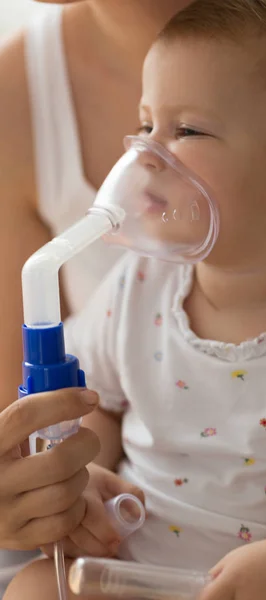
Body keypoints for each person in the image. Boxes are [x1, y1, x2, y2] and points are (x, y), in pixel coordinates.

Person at [5, 0, 266, 598]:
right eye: (144, 126)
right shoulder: (137, 286)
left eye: (184, 130)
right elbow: (99, 407)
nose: (144, 156)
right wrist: (80, 484)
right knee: (33, 588)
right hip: (124, 569)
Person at [0, 0, 193, 594]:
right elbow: (43, 432)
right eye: (145, 126)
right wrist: (49, 494)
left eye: (187, 132)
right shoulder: (19, 92)